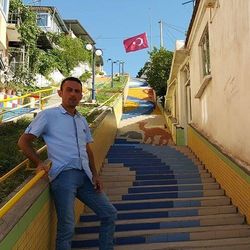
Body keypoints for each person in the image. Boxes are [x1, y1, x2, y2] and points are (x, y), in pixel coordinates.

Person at [18, 77, 117, 250]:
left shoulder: (81, 120)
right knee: (67, 228)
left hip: (85, 176)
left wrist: (95, 174)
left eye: (77, 91)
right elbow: (24, 142)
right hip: (63, 176)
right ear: (60, 93)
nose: (73, 94)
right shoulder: (48, 115)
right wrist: (39, 163)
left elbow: (87, 150)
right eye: (69, 90)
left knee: (109, 214)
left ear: (81, 96)